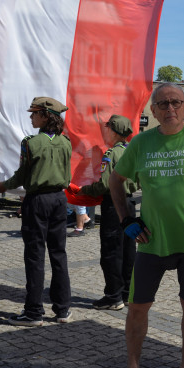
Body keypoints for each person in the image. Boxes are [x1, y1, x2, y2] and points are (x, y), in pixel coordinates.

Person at [107, 83, 184, 368]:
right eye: (162, 104)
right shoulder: (142, 142)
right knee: (137, 308)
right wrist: (126, 220)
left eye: (176, 102)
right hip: (151, 242)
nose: (170, 108)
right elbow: (116, 180)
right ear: (153, 110)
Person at [0, 96, 72, 327]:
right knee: (59, 254)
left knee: (35, 255)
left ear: (46, 116)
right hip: (59, 199)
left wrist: (3, 185)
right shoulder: (65, 141)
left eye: (35, 113)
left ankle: (34, 311)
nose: (31, 117)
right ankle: (63, 309)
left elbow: (22, 175)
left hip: (37, 200)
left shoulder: (30, 142)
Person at [74, 114, 137, 311]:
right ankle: (127, 294)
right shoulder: (133, 151)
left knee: (111, 251)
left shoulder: (111, 153)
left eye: (108, 128)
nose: (105, 132)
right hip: (130, 204)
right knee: (128, 250)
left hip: (114, 204)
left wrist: (83, 190)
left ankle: (112, 296)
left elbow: (104, 184)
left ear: (115, 132)